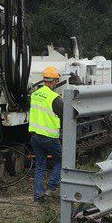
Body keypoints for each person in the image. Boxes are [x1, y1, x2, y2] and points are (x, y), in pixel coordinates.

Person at [29, 66, 63, 202]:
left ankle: (38, 196)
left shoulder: (35, 94)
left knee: (40, 165)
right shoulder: (54, 97)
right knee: (60, 161)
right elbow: (65, 114)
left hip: (35, 137)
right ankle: (51, 188)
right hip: (49, 137)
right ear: (54, 81)